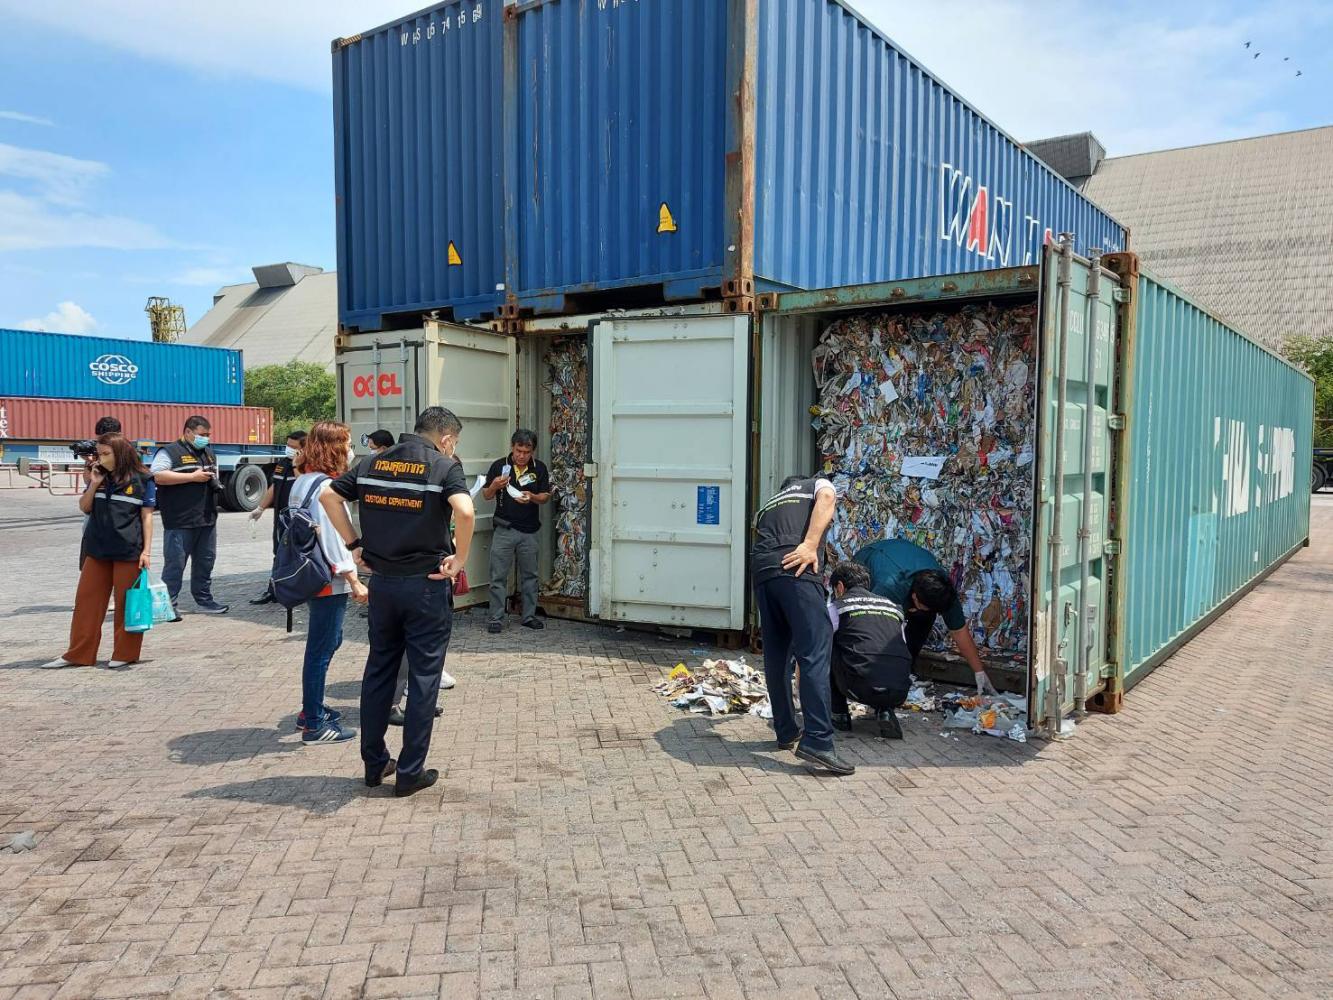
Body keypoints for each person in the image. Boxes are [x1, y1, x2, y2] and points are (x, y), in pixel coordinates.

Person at [322, 407, 475, 798]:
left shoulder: (372, 462)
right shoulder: (443, 466)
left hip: (384, 585)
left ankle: (375, 766)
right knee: (423, 678)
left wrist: (355, 544)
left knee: (379, 671)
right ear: (446, 439)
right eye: (453, 442)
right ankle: (410, 773)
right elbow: (465, 509)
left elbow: (328, 495)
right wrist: (459, 561)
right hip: (425, 585)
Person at [751, 474, 855, 776]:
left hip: (763, 573)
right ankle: (819, 742)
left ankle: (786, 731)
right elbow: (827, 499)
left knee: (777, 655)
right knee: (814, 652)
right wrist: (810, 544)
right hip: (796, 567)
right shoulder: (817, 485)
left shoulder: (771, 503)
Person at [284, 422, 368, 745]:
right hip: (328, 579)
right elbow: (333, 539)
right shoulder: (326, 488)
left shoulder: (303, 480)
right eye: (346, 444)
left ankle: (312, 708)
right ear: (334, 448)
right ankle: (314, 724)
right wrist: (355, 580)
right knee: (320, 648)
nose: (351, 451)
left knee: (327, 642)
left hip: (312, 575)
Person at [44, 434, 155, 670]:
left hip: (128, 550)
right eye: (99, 454)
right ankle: (79, 654)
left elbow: (146, 518)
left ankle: (126, 653)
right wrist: (93, 483)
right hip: (96, 549)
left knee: (126, 604)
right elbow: (85, 508)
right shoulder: (98, 475)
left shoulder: (143, 479)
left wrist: (146, 551)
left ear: (120, 454)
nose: (101, 459)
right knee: (86, 602)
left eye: (106, 454)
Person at [853, 537, 998, 695]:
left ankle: (906, 669)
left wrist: (979, 672)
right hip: (869, 563)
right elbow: (869, 627)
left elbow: (959, 631)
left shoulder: (943, 591)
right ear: (914, 597)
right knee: (883, 633)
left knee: (924, 618)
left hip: (904, 557)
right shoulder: (889, 588)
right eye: (923, 607)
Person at [826, 561, 912, 740]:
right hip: (900, 690)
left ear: (840, 587)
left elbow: (816, 643)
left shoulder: (838, 607)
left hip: (858, 685)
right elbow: (902, 643)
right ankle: (885, 710)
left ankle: (839, 715)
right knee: (883, 657)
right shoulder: (893, 607)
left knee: (830, 645)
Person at [151, 416, 227, 618]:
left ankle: (205, 600)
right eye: (202, 435)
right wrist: (191, 477)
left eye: (208, 435)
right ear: (188, 432)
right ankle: (168, 606)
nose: (206, 438)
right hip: (180, 520)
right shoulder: (170, 452)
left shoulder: (208, 453)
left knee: (206, 562)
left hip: (206, 518)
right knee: (175, 564)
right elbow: (157, 476)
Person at [482, 429, 550, 634]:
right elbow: (486, 495)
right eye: (518, 450)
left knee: (530, 576)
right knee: (498, 576)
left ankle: (528, 616)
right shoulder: (499, 466)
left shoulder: (539, 468)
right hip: (504, 529)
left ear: (533, 451)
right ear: (512, 447)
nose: (521, 456)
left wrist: (533, 497)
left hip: (529, 531)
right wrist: (494, 484)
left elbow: (545, 496)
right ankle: (495, 618)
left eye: (526, 452)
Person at [249, 430, 307, 605]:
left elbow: (304, 485)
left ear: (303, 449)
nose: (288, 449)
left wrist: (297, 465)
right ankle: (273, 591)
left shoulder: (307, 465)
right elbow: (275, 487)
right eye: (287, 445)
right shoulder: (282, 464)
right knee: (279, 553)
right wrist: (260, 508)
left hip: (299, 520)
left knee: (299, 555)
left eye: (293, 447)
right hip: (281, 518)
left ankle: (301, 591)